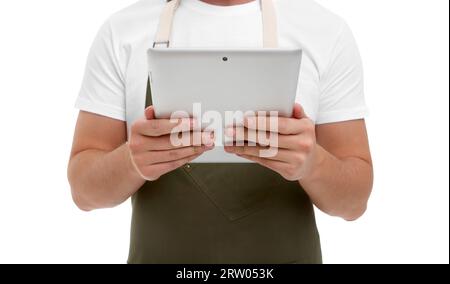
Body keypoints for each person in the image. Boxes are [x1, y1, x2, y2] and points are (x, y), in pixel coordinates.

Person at [68, 0, 373, 264]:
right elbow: (84, 192)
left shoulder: (323, 31)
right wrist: (130, 161)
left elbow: (354, 202)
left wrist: (313, 164)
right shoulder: (123, 31)